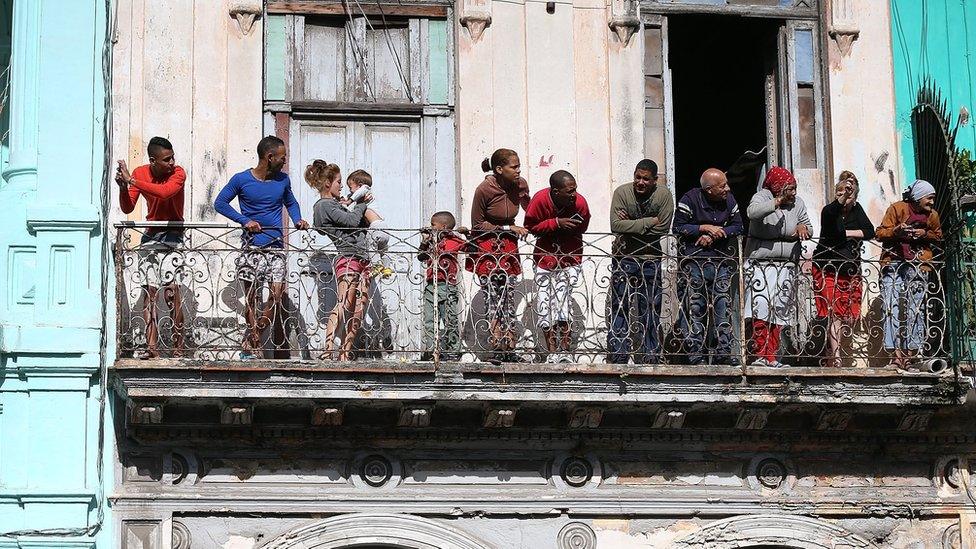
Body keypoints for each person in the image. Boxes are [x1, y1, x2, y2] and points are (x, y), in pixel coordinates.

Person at [213, 135, 309, 360]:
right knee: (252, 300)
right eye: (282, 157)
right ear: (269, 157)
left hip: (275, 248)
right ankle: (253, 344)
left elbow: (291, 202)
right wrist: (244, 220)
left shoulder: (283, 181)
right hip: (251, 249)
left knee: (275, 297)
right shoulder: (241, 180)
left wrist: (297, 219)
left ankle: (253, 336)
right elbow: (220, 203)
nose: (284, 162)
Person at [117, 136, 187, 359]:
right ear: (153, 160)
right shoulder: (140, 172)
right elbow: (128, 206)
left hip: (174, 235)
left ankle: (178, 347)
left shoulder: (178, 173)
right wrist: (122, 187)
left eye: (172, 157)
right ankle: (152, 347)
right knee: (150, 293)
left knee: (171, 293)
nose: (172, 162)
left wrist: (132, 182)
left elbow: (165, 192)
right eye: (167, 159)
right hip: (151, 235)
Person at [672, 168, 744, 366]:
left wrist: (715, 233)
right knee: (695, 307)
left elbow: (739, 226)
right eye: (722, 186)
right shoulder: (690, 199)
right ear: (709, 189)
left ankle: (723, 353)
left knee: (723, 306)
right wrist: (701, 228)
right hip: (694, 262)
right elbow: (677, 227)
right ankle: (696, 354)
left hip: (720, 261)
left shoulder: (729, 200)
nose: (727, 189)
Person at [607, 159, 674, 364]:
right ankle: (618, 354)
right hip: (624, 257)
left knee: (651, 307)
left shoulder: (663, 195)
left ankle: (650, 355)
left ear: (655, 180)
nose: (640, 182)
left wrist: (632, 225)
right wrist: (648, 222)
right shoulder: (622, 193)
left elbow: (662, 228)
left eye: (646, 179)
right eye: (637, 177)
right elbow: (616, 225)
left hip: (651, 258)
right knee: (620, 306)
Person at [306, 161, 374, 361]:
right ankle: (328, 350)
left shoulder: (334, 205)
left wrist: (348, 205)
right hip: (348, 257)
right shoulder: (324, 205)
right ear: (327, 183)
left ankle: (345, 352)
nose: (341, 186)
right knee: (344, 303)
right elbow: (351, 222)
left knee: (358, 306)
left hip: (362, 257)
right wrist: (361, 204)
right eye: (338, 181)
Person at [744, 166, 811, 368]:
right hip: (761, 264)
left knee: (780, 310)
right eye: (788, 189)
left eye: (794, 188)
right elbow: (752, 213)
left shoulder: (798, 203)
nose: (793, 193)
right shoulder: (761, 197)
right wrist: (777, 203)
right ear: (778, 188)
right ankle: (759, 355)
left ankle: (772, 356)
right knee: (761, 308)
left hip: (787, 265)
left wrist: (802, 228)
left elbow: (808, 225)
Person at [468, 148, 530, 364]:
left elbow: (527, 206)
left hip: (509, 248)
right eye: (514, 167)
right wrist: (508, 227)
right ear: (499, 169)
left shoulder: (520, 184)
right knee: (493, 298)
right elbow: (477, 224)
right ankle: (496, 346)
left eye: (518, 166)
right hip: (488, 247)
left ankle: (510, 348)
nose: (518, 170)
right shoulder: (484, 189)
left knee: (509, 298)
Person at [524, 170, 591, 363]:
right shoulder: (539, 200)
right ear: (555, 191)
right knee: (544, 304)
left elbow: (584, 225)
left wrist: (570, 227)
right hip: (545, 257)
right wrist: (555, 223)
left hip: (570, 257)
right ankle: (551, 352)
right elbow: (530, 227)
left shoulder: (580, 203)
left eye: (575, 190)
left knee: (563, 303)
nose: (574, 194)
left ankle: (565, 351)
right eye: (569, 191)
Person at [876, 179, 942, 370]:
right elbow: (879, 233)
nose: (931, 202)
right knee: (890, 306)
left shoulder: (932, 215)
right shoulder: (897, 209)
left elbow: (938, 235)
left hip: (919, 264)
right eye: (929, 198)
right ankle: (896, 357)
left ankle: (912, 356)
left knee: (916, 309)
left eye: (933, 199)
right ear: (918, 197)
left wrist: (924, 234)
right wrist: (896, 230)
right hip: (893, 261)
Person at [811, 172, 875, 367]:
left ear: (855, 198)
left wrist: (847, 233)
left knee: (849, 314)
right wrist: (841, 200)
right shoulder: (829, 211)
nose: (844, 198)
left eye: (848, 195)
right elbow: (832, 226)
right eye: (839, 193)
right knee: (834, 312)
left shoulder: (857, 211)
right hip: (828, 268)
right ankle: (836, 356)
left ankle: (832, 352)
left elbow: (870, 232)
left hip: (850, 270)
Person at [417, 211, 470, 362]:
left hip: (447, 285)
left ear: (444, 227)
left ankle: (453, 351)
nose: (431, 227)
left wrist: (467, 235)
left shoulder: (454, 240)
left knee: (450, 319)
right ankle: (431, 350)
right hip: (430, 285)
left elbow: (471, 249)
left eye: (433, 225)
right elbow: (421, 256)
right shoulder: (432, 242)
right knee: (429, 319)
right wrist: (425, 241)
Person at [343, 170, 392, 278]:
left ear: (359, 185)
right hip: (383, 227)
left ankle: (377, 266)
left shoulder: (365, 190)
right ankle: (387, 269)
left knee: (371, 247)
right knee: (383, 251)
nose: (350, 191)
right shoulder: (363, 198)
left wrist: (349, 201)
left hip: (374, 227)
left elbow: (359, 193)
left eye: (351, 187)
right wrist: (345, 199)